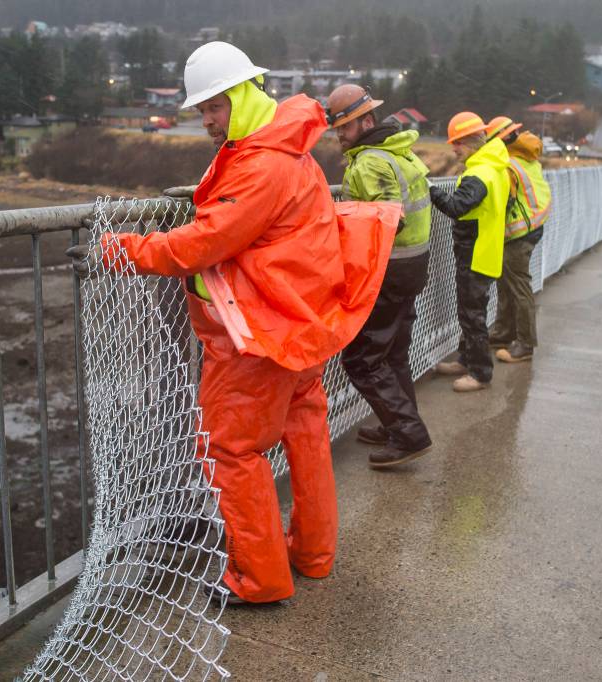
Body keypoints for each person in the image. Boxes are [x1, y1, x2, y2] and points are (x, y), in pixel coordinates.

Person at [68, 42, 400, 605]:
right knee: (305, 429)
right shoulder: (290, 148)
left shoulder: (260, 162)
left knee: (231, 449)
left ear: (242, 96)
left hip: (260, 334)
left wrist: (118, 251)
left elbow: (205, 242)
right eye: (201, 111)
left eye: (213, 107)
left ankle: (261, 579)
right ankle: (311, 555)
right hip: (303, 320)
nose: (207, 121)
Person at [326, 84, 433, 469]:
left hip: (387, 270)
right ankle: (398, 425)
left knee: (362, 359)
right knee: (395, 353)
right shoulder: (398, 152)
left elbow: (385, 220)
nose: (340, 135)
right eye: (337, 128)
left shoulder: (370, 162)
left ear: (367, 121)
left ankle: (408, 433)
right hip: (413, 265)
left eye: (346, 126)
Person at [429, 112, 511, 392]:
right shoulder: (495, 167)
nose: (454, 149)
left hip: (475, 253)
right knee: (471, 312)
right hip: (485, 249)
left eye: (458, 143)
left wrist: (430, 189)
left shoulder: (479, 173)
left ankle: (479, 373)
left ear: (471, 141)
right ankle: (466, 360)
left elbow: (456, 208)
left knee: (472, 315)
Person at [485, 116, 551, 363]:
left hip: (519, 231)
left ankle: (525, 344)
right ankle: (503, 334)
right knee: (507, 282)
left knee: (518, 285)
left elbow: (505, 201)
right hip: (532, 226)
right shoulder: (527, 157)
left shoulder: (509, 165)